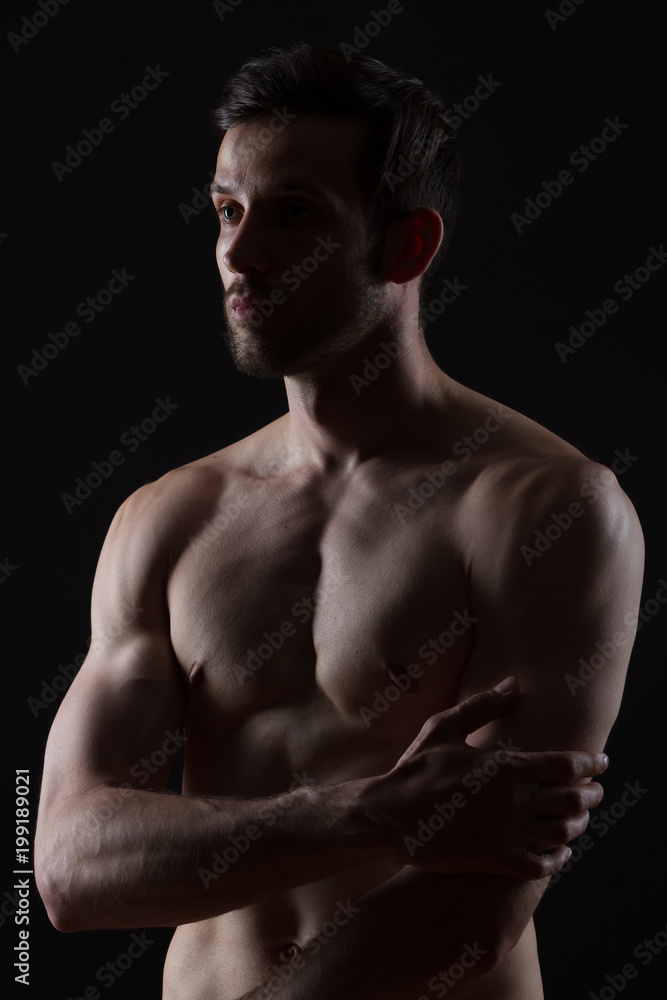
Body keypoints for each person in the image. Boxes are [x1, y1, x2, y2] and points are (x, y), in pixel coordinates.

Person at [35, 42, 644, 1000]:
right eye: (227, 211)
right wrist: (369, 814)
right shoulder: (168, 518)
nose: (238, 250)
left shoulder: (547, 508)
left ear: (406, 244)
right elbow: (71, 870)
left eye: (293, 215)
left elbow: (473, 912)